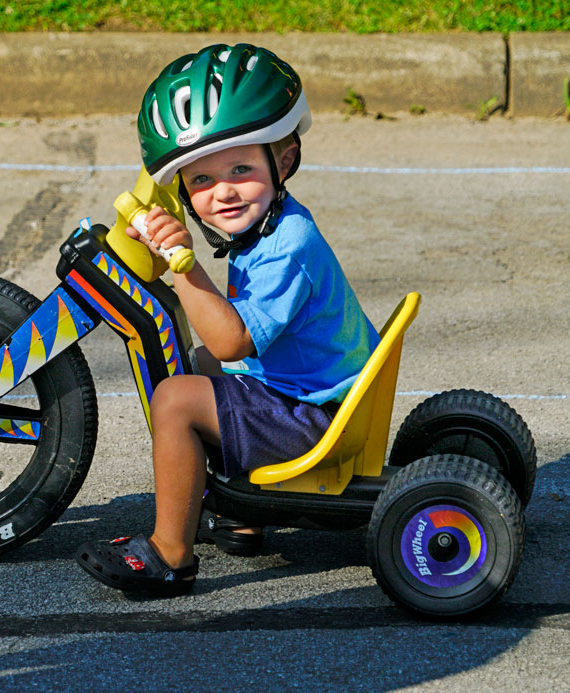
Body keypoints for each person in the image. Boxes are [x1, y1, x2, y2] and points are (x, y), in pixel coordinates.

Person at [75, 43, 381, 597]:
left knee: (175, 397)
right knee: (198, 365)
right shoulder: (271, 225)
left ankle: (170, 554)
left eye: (240, 168)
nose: (223, 193)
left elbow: (233, 338)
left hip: (314, 415)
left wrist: (181, 265)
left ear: (282, 161)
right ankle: (241, 513)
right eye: (200, 181)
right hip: (311, 390)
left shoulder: (289, 245)